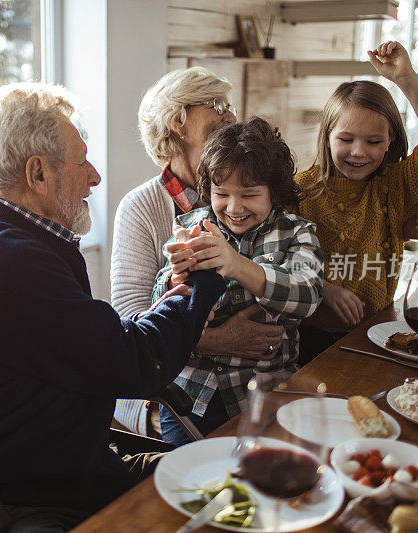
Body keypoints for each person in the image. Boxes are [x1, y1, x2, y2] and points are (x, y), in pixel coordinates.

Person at [0, 82, 226, 532]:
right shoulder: (11, 262)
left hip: (71, 462)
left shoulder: (8, 237)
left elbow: (94, 342)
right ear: (38, 174)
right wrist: (205, 278)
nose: (95, 177)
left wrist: (165, 306)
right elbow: (138, 365)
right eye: (82, 162)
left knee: (222, 478)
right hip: (25, 497)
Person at [110, 67, 287, 436]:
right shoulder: (141, 206)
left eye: (229, 104)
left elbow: (289, 253)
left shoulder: (239, 192)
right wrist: (219, 341)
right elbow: (130, 320)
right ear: (178, 121)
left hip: (250, 380)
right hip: (170, 393)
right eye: (216, 104)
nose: (230, 115)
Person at [152, 118, 324, 445]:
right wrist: (176, 276)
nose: (233, 207)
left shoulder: (296, 231)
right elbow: (159, 306)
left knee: (262, 479)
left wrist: (236, 265)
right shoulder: (191, 225)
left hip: (266, 392)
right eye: (221, 193)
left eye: (249, 194)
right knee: (187, 478)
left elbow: (309, 295)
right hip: (191, 394)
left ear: (274, 192)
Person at [295, 41, 418, 363]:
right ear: (327, 137)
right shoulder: (300, 191)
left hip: (377, 330)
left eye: (373, 141)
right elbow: (278, 261)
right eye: (346, 139)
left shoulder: (395, 185)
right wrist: (325, 288)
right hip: (306, 335)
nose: (359, 152)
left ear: (391, 143)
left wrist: (407, 79)